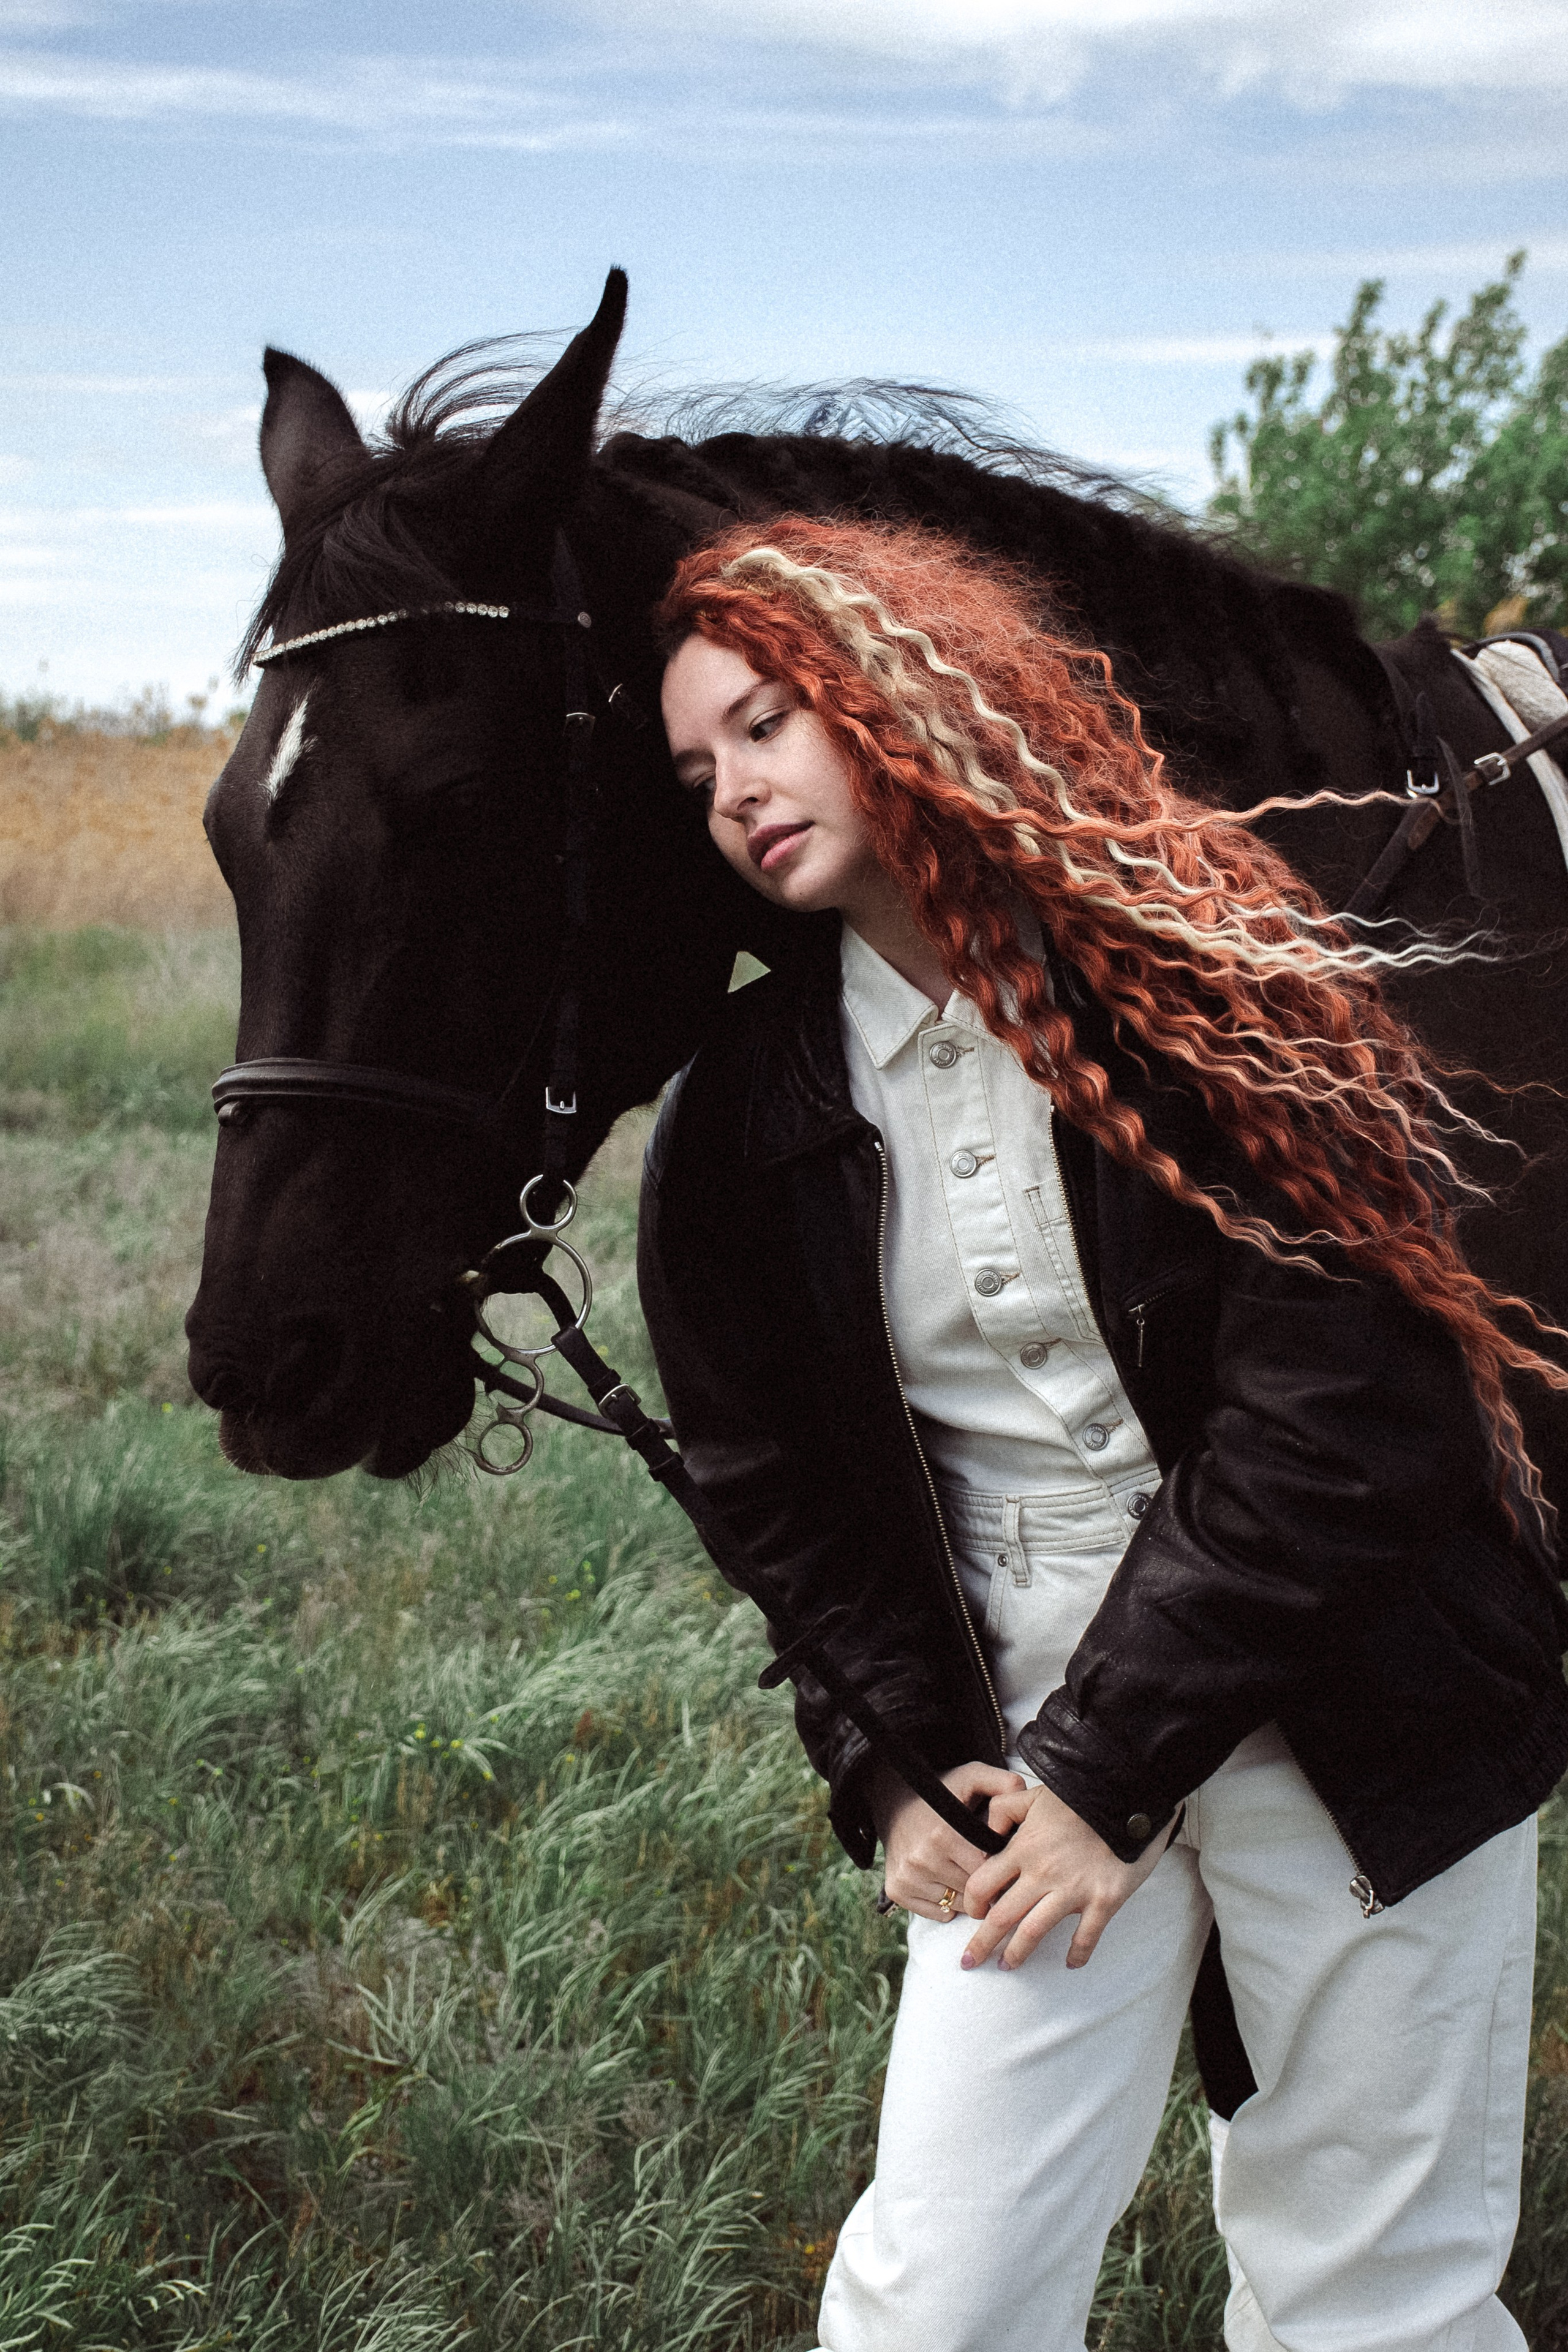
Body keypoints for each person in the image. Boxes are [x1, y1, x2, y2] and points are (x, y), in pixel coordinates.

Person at [639, 514, 1568, 2352]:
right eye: (694, 770)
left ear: (901, 693)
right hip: (1012, 1745)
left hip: (1367, 1686)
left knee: (1369, 2295)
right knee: (939, 2304)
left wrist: (1114, 1774)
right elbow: (772, 1487)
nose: (735, 790)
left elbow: (1351, 1418)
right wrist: (885, 1756)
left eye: (764, 722)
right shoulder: (745, 1111)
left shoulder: (1221, 987)